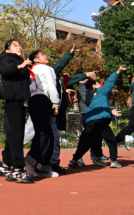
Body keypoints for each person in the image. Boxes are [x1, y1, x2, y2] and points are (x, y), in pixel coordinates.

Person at [21, 45, 79, 176]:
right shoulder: (46, 69)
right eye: (42, 55)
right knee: (43, 133)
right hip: (42, 100)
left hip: (32, 102)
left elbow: (24, 88)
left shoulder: (28, 71)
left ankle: (43, 166)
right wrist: (56, 103)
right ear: (36, 59)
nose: (46, 56)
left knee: (47, 134)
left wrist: (26, 103)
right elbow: (52, 87)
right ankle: (31, 159)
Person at [0, 39, 34, 183]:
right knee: (16, 135)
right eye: (15, 45)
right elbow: (3, 69)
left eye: (20, 45)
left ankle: (5, 164)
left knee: (14, 135)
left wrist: (25, 82)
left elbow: (12, 79)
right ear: (8, 49)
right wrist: (21, 65)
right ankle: (17, 169)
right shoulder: (7, 58)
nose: (19, 47)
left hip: (19, 101)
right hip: (12, 101)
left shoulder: (17, 61)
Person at [71, 66, 126, 168]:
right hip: (100, 120)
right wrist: (117, 71)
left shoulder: (88, 96)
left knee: (88, 142)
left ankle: (74, 159)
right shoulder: (101, 91)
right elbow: (110, 82)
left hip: (90, 121)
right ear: (94, 85)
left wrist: (109, 111)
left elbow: (97, 106)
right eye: (97, 82)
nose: (100, 84)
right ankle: (113, 161)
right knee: (111, 140)